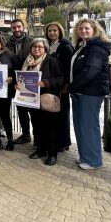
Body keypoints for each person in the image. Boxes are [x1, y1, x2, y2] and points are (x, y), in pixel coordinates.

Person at [69, 18, 111, 170]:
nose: (83, 31)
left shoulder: (97, 47)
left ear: (95, 30)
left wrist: (71, 86)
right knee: (80, 125)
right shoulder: (82, 46)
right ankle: (85, 156)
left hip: (91, 92)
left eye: (87, 28)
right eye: (80, 29)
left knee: (89, 125)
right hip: (79, 91)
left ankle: (93, 160)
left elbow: (91, 72)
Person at [17, 38, 64, 165]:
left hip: (46, 99)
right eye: (34, 47)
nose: (37, 49)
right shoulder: (25, 62)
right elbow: (19, 78)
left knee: (51, 127)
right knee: (37, 126)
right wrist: (17, 85)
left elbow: (61, 79)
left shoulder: (52, 61)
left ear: (45, 49)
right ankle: (41, 149)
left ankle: (52, 153)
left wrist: (46, 83)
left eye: (40, 47)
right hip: (31, 100)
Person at [45, 22, 73, 152]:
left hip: (62, 86)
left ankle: (64, 142)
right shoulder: (48, 45)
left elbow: (69, 67)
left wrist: (66, 84)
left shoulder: (65, 46)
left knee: (62, 113)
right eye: (50, 30)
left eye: (54, 30)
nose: (52, 33)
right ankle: (53, 140)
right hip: (51, 85)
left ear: (60, 31)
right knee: (52, 114)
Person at [7, 19, 34, 145]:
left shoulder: (32, 41)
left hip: (29, 80)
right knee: (21, 110)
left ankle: (38, 137)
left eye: (19, 27)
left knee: (33, 111)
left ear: (23, 27)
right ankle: (26, 135)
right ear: (11, 29)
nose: (16, 29)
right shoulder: (7, 43)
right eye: (14, 28)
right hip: (14, 81)